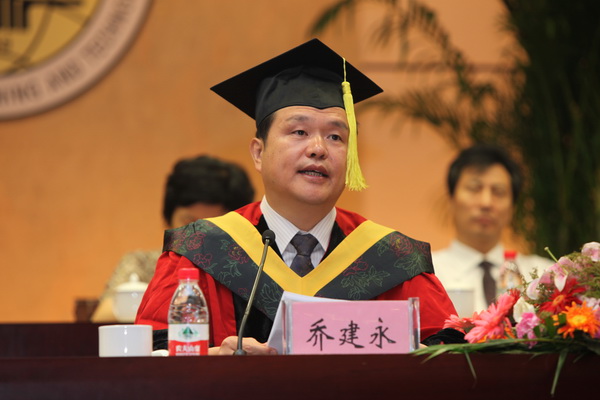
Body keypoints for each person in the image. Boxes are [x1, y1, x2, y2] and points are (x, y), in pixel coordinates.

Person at [135, 39, 459, 355]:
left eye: (335, 136)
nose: (318, 148)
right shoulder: (200, 251)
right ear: (258, 153)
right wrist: (214, 358)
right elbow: (149, 354)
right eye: (299, 132)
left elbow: (452, 353)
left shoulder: (394, 258)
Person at [92, 155, 255, 322]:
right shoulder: (140, 264)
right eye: (189, 223)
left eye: (213, 225)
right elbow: (102, 317)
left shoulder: (250, 271)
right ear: (167, 220)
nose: (200, 236)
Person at [432, 144, 554, 314]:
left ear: (513, 207)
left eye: (499, 192)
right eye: (474, 188)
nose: (486, 203)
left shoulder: (544, 275)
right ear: (451, 198)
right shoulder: (427, 276)